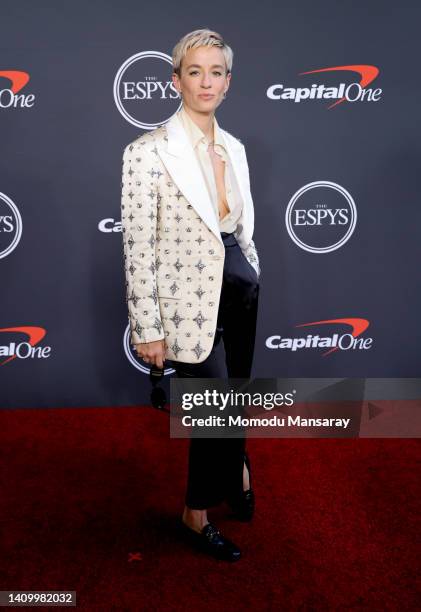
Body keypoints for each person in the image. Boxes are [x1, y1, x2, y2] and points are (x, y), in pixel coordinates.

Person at [121, 28, 260, 561]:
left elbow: (241, 226)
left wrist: (252, 270)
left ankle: (238, 467)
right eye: (195, 71)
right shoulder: (146, 152)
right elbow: (137, 246)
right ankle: (195, 514)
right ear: (175, 80)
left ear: (228, 82)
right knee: (216, 408)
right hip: (185, 303)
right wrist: (147, 328)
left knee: (235, 401)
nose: (207, 82)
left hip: (240, 290)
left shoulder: (236, 147)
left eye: (217, 72)